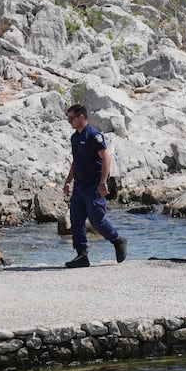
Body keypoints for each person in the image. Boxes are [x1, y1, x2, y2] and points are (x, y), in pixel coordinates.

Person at [62, 104, 127, 268]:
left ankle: (117, 240)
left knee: (96, 220)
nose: (69, 121)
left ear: (81, 117)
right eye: (68, 118)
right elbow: (76, 161)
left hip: (94, 185)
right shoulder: (75, 137)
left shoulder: (94, 135)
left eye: (71, 118)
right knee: (76, 220)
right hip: (79, 185)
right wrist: (68, 181)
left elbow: (106, 158)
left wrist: (103, 182)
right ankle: (82, 255)